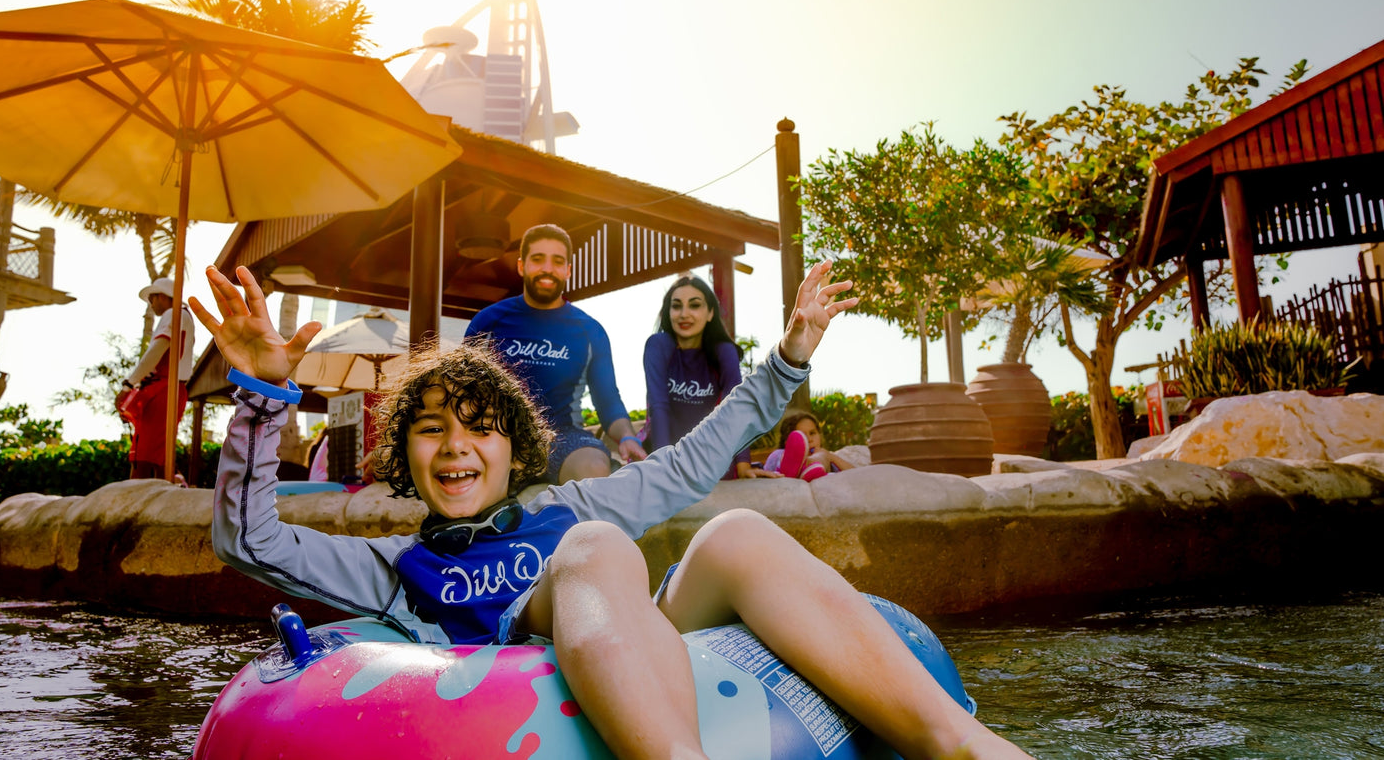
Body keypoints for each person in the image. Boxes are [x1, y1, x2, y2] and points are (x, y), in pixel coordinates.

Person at [193, 260, 1031, 760]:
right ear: (403, 454)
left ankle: (959, 745)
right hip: (503, 692)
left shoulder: (574, 499)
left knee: (729, 529)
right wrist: (265, 393)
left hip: (641, 635)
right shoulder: (389, 569)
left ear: (514, 450)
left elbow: (698, 458)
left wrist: (787, 358)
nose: (455, 446)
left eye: (479, 430)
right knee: (593, 545)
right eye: (430, 430)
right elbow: (247, 535)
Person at [465, 224, 646, 483]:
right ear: (521, 266)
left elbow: (608, 400)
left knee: (594, 466)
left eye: (557, 261)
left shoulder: (590, 331)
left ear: (568, 270)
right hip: (498, 437)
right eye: (538, 259)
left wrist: (627, 437)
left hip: (563, 437)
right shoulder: (488, 322)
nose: (547, 269)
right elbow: (462, 394)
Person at [643, 274, 769, 479]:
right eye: (676, 306)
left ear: (710, 313)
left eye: (694, 305)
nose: (684, 314)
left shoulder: (724, 352)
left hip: (711, 459)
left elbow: (736, 407)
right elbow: (658, 407)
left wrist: (744, 464)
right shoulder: (658, 346)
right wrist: (663, 466)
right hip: (665, 455)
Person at [115, 276, 194, 480]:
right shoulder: (185, 316)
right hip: (174, 388)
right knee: (160, 450)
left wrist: (128, 384)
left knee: (146, 451)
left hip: (163, 387)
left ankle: (134, 497)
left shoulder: (172, 314)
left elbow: (156, 352)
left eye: (152, 299)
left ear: (161, 296)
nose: (151, 304)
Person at [763, 409, 858, 481]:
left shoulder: (827, 457)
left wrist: (831, 457)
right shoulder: (779, 454)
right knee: (779, 455)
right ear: (788, 441)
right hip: (782, 473)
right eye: (802, 436)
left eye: (812, 433)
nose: (809, 439)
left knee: (822, 456)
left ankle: (809, 467)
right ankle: (795, 467)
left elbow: (857, 475)